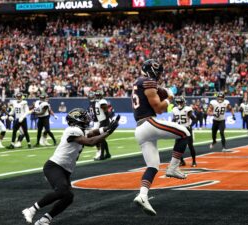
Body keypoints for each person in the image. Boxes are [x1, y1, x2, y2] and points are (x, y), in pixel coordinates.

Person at [21, 108, 120, 225]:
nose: (87, 119)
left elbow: (93, 132)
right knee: (62, 191)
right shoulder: (72, 130)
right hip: (54, 166)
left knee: (68, 197)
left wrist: (107, 127)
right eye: (84, 117)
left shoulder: (79, 130)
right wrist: (108, 132)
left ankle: (45, 220)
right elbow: (90, 142)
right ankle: (31, 210)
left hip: (65, 169)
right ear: (76, 120)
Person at [132, 59, 190, 216]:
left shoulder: (140, 82)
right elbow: (158, 108)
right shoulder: (148, 81)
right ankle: (172, 167)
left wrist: (164, 93)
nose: (157, 76)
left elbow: (156, 93)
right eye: (157, 73)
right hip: (149, 123)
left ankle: (142, 195)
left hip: (139, 129)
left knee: (153, 166)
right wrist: (169, 99)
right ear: (152, 71)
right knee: (184, 132)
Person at [172, 96, 197, 167]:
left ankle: (194, 161)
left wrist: (190, 126)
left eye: (180, 102)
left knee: (190, 146)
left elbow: (194, 119)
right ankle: (182, 161)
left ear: (183, 102)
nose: (179, 104)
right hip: (179, 129)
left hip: (187, 129)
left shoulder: (187, 109)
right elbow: (174, 119)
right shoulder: (174, 109)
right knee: (177, 147)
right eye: (178, 102)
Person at [94, 90, 111, 160]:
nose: (97, 96)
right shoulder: (97, 102)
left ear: (101, 95)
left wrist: (106, 122)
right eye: (96, 95)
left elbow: (106, 112)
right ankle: (107, 154)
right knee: (102, 138)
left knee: (101, 138)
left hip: (104, 121)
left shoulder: (102, 101)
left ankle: (102, 155)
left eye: (98, 95)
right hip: (101, 121)